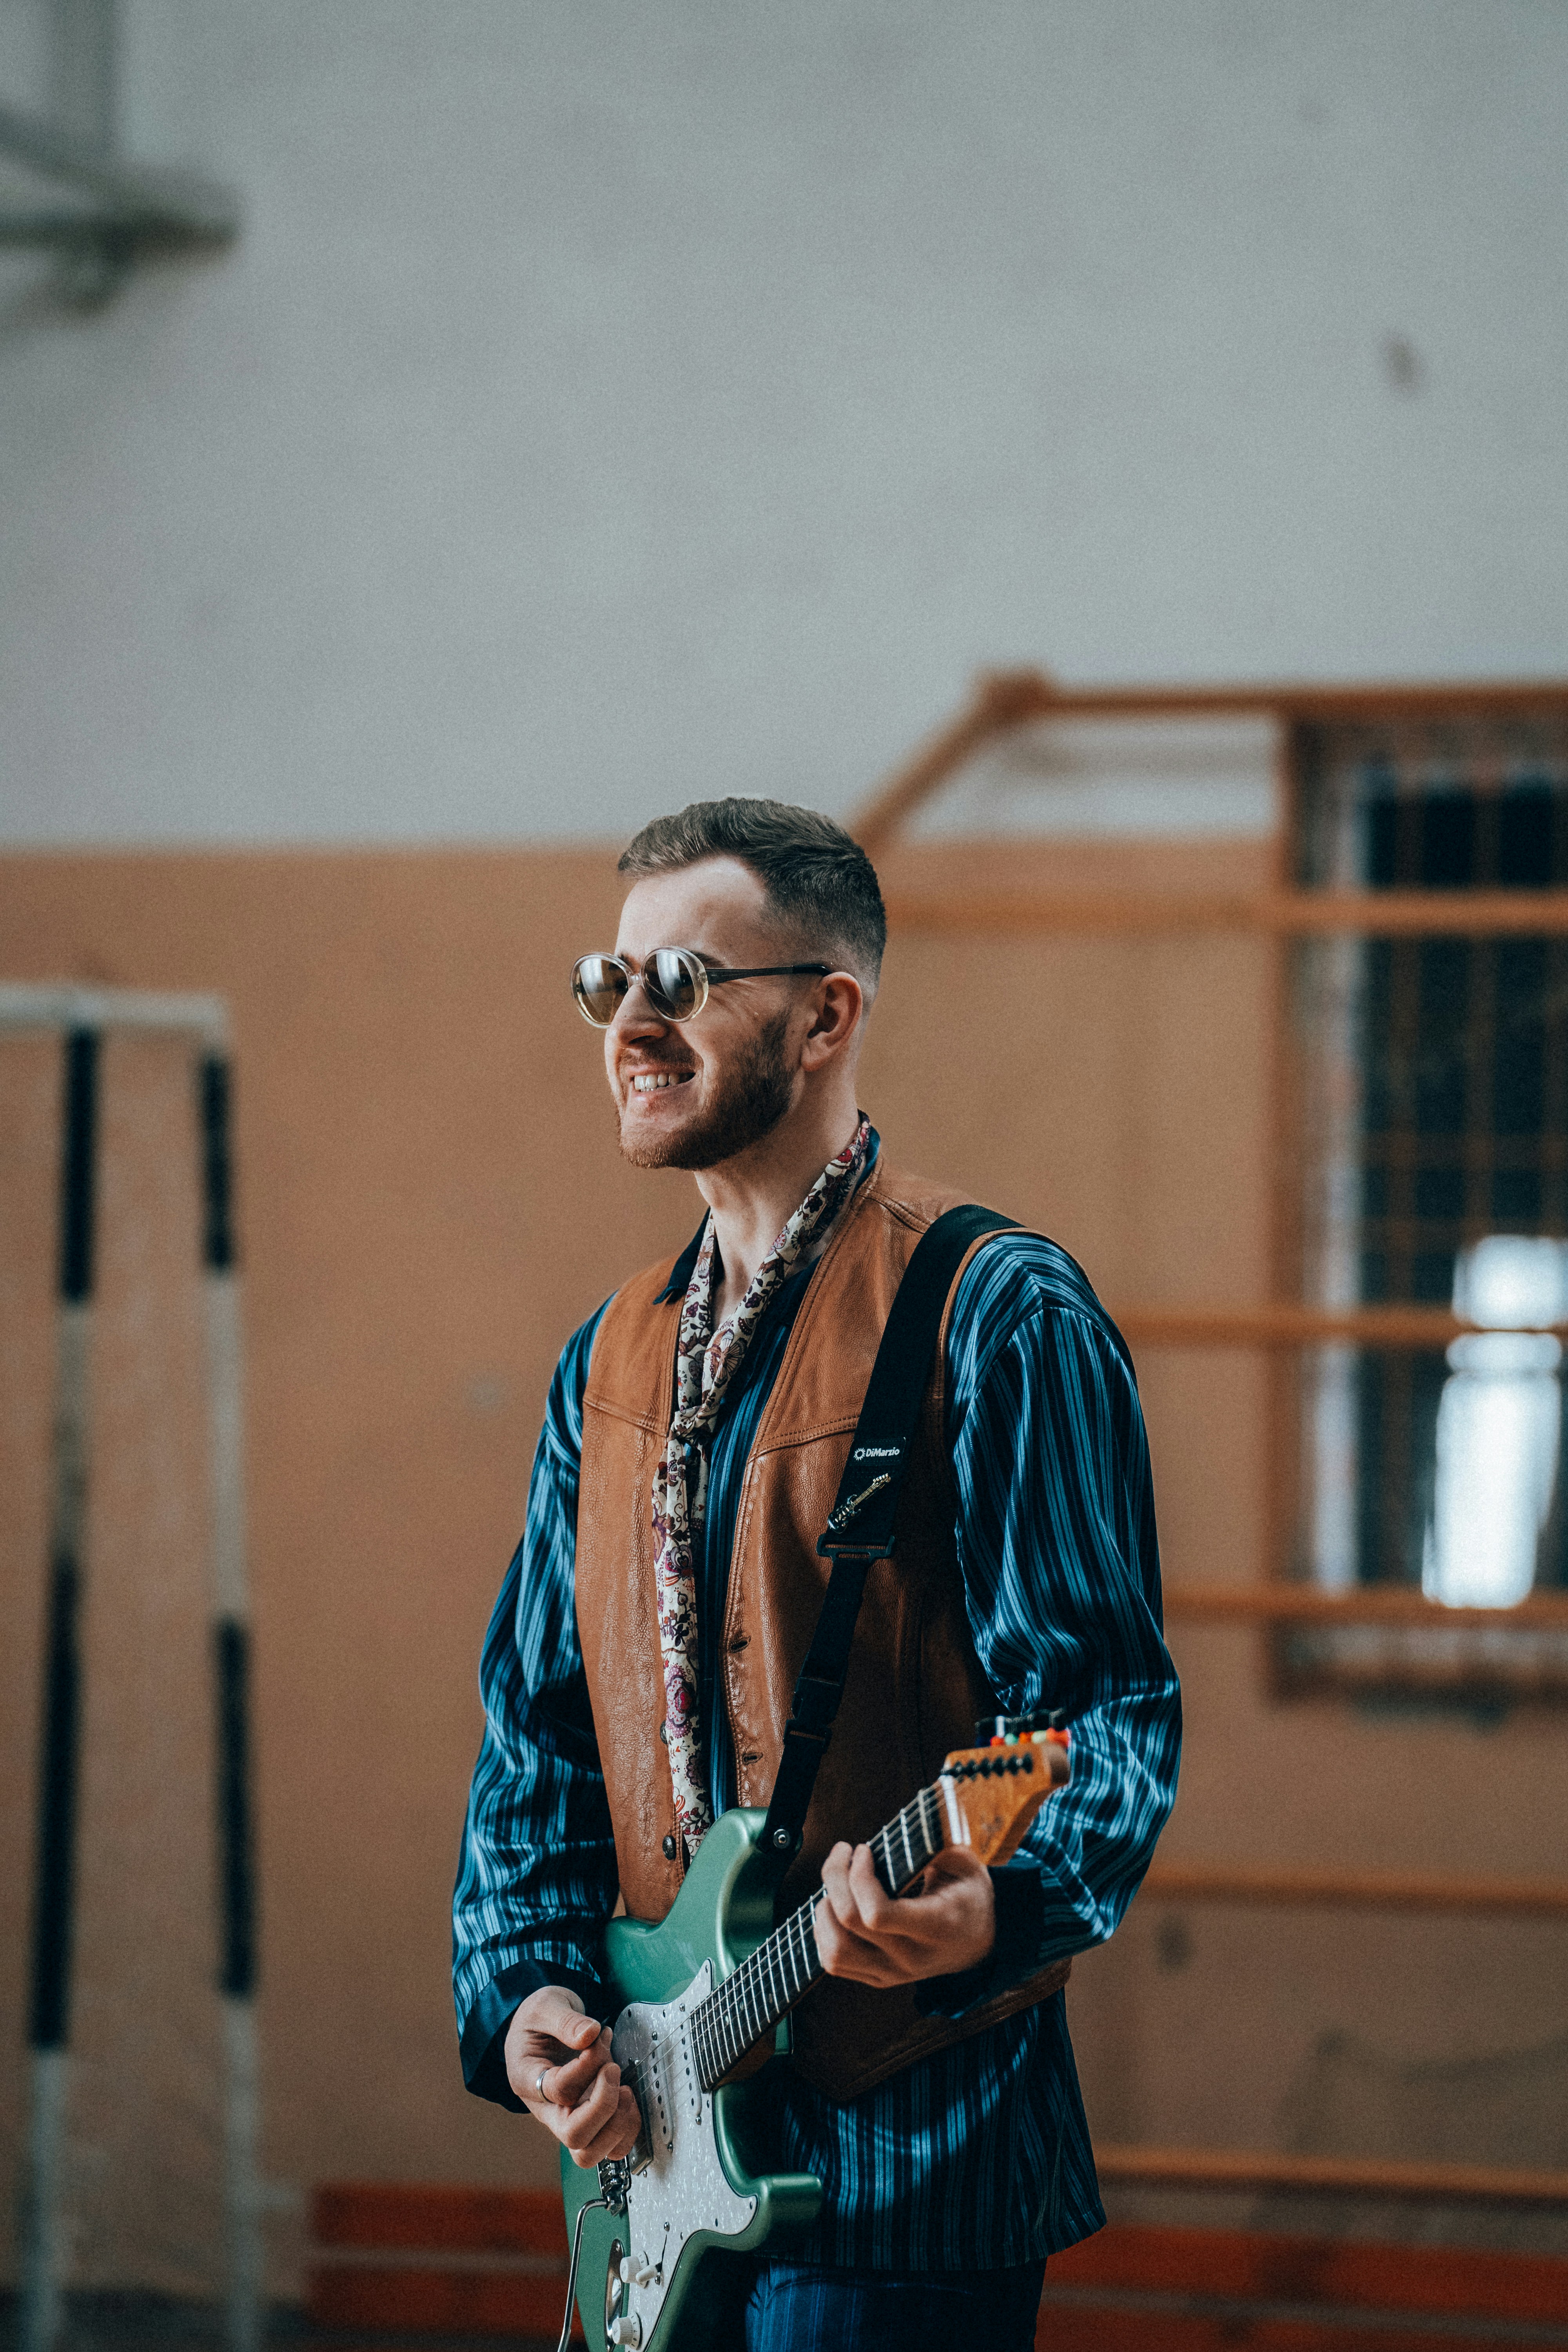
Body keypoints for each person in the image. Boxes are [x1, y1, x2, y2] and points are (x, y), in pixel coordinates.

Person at [453, 799, 1180, 2352]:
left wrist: (988, 1909)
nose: (632, 1023)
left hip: (912, 2169)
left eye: (685, 979)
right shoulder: (608, 1361)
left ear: (827, 1012)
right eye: (611, 980)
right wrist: (531, 2002)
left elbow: (1105, 1719)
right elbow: (534, 1742)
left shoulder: (998, 1311)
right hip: (651, 2159)